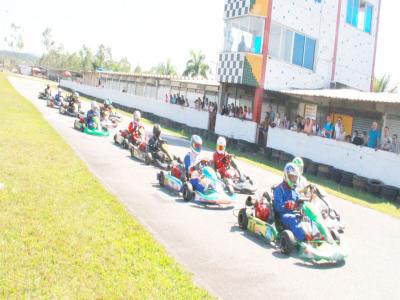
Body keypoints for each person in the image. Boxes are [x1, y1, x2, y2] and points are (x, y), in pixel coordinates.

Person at [273, 163, 310, 241]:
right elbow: (277, 206)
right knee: (294, 220)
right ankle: (305, 239)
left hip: (295, 213)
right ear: (286, 176)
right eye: (291, 176)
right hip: (283, 215)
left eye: (295, 177)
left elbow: (298, 201)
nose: (293, 179)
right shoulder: (279, 189)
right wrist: (286, 205)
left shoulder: (295, 190)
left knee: (310, 218)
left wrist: (306, 200)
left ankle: (317, 236)